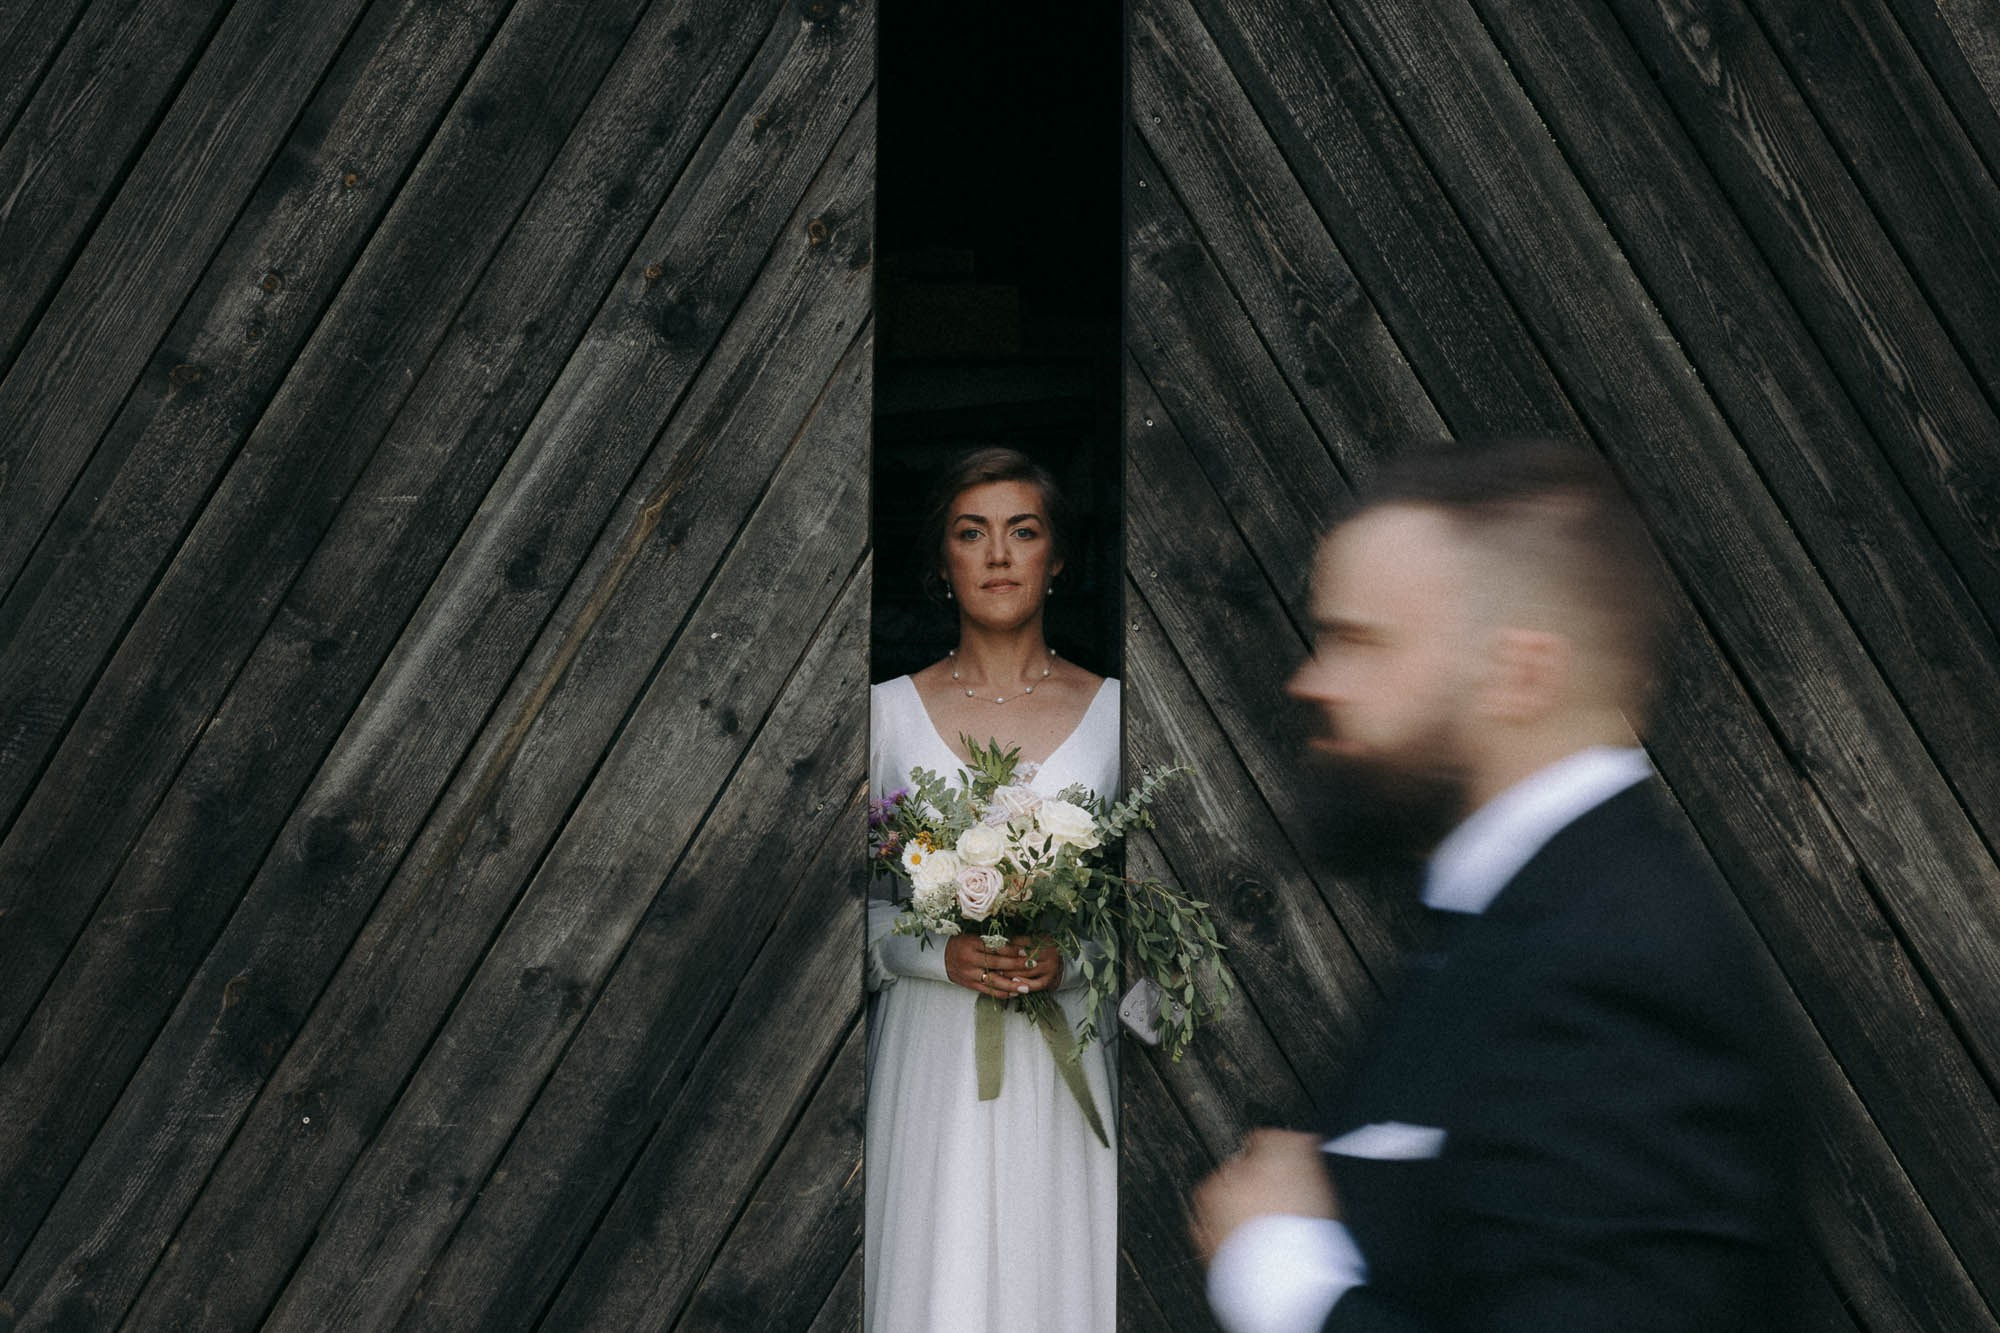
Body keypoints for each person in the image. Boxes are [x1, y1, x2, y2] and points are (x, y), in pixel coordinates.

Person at [1191, 438, 1793, 1331]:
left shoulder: (1624, 976)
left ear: (1519, 673)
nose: (1312, 680)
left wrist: (1276, 1269)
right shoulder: (1511, 923)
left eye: (1362, 641)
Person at [866, 447, 1118, 1332]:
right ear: (941, 562)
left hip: (1067, 1051)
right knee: (943, 1262)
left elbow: (1144, 907)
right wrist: (940, 953)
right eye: (972, 533)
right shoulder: (883, 714)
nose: (999, 554)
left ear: (1058, 557)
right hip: (933, 1051)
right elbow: (842, 916)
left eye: (1024, 531)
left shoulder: (1120, 710)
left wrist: (1073, 957)